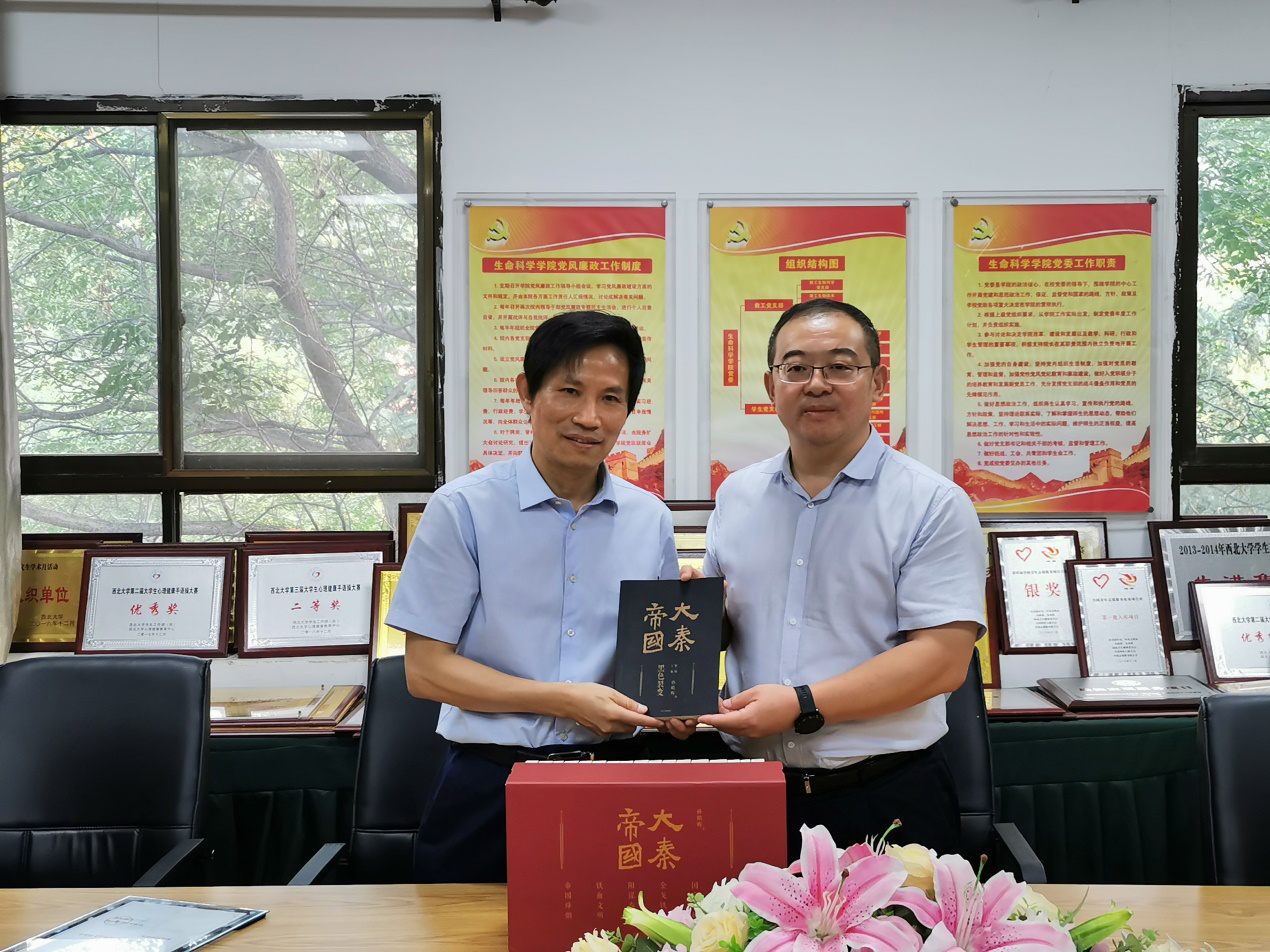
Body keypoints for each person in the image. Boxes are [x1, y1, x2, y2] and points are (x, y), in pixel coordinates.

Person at [387, 310, 679, 883]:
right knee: (467, 929)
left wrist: (675, 704)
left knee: (615, 928)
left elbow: (655, 661)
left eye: (610, 398)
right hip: (489, 783)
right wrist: (564, 700)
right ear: (527, 392)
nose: (589, 417)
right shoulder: (463, 509)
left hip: (614, 780)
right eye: (569, 391)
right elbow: (425, 672)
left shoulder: (650, 519)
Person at [696, 298, 986, 860]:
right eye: (797, 368)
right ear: (771, 384)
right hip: (751, 792)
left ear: (877, 382)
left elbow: (942, 660)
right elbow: (730, 624)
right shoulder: (737, 495)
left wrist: (800, 703)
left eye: (839, 366)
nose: (816, 384)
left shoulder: (932, 503)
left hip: (883, 796)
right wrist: (696, 609)